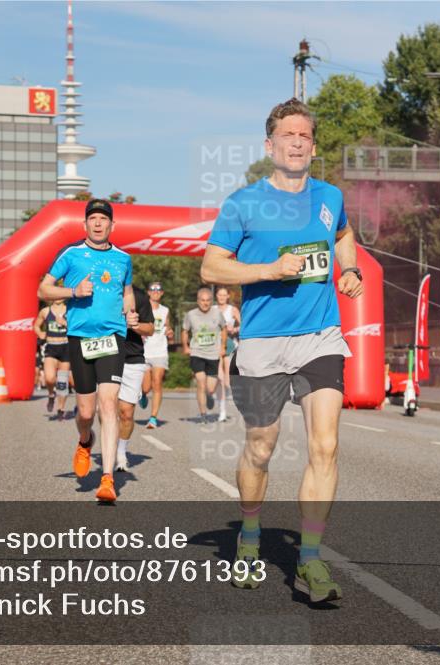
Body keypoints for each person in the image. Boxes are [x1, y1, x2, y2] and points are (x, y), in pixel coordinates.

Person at [201, 98, 364, 602]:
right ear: (269, 145)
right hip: (262, 344)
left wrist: (350, 268)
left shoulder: (330, 196)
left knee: (325, 446)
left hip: (319, 337)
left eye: (305, 135)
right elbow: (212, 269)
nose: (297, 142)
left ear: (313, 148)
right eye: (287, 135)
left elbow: (343, 236)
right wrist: (268, 271)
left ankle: (309, 561)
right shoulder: (242, 204)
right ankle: (249, 539)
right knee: (261, 447)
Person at [37, 198, 136, 504]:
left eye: (103, 219)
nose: (97, 223)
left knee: (109, 404)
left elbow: (128, 292)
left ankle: (107, 479)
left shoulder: (123, 258)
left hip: (112, 338)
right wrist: (73, 291)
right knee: (85, 412)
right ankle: (84, 441)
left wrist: (129, 314)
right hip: (80, 337)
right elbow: (43, 289)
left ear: (111, 225)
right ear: (85, 225)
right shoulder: (71, 254)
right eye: (92, 218)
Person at [116, 285, 155, 472]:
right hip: (105, 355)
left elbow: (150, 328)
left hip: (132, 358)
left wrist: (135, 326)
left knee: (126, 412)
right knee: (105, 409)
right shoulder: (101, 291)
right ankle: (107, 446)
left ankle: (121, 451)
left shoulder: (138, 296)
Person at [181, 286, 226, 423]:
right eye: (202, 300)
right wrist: (185, 346)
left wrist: (223, 347)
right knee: (201, 382)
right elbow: (184, 331)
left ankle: (209, 395)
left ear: (211, 301)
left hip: (213, 354)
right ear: (198, 300)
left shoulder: (217, 313)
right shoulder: (191, 315)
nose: (205, 303)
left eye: (208, 300)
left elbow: (223, 329)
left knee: (210, 388)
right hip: (197, 353)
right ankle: (203, 414)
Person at [140, 281, 173, 429]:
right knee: (146, 387)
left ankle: (153, 417)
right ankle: (143, 394)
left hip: (160, 351)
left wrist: (170, 332)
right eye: (152, 289)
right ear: (148, 292)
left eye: (158, 289)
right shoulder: (142, 309)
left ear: (162, 293)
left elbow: (168, 327)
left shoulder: (165, 310)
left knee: (157, 382)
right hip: (144, 351)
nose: (155, 291)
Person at [34, 300, 71, 420]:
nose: (58, 297)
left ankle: (61, 408)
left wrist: (65, 323)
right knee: (49, 378)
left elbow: (78, 327)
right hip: (51, 348)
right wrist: (40, 333)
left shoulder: (70, 310)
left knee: (62, 382)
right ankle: (51, 394)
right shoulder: (45, 311)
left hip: (65, 348)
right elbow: (36, 325)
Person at [215, 286, 241, 422]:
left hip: (230, 344)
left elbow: (244, 326)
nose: (221, 297)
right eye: (219, 295)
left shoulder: (233, 310)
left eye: (224, 295)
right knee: (218, 378)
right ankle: (222, 409)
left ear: (228, 296)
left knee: (227, 380)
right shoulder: (212, 310)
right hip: (214, 346)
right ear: (216, 296)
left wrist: (234, 328)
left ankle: (229, 392)